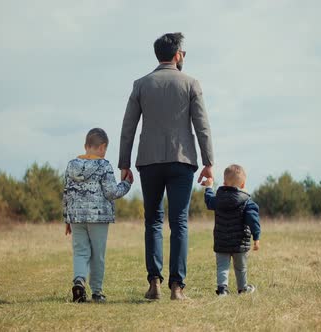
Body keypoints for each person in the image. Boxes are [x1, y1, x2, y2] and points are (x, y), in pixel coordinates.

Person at [118, 32, 214, 300]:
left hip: (148, 161)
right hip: (182, 160)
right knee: (179, 222)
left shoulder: (141, 84)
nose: (184, 56)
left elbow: (128, 127)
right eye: (183, 52)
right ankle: (177, 287)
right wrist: (209, 162)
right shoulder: (191, 83)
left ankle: (154, 284)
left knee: (153, 221)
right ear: (177, 55)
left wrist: (124, 163)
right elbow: (202, 126)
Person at [63, 128, 132, 303]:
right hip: (98, 217)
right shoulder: (104, 166)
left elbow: (66, 192)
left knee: (80, 252)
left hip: (76, 217)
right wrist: (127, 184)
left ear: (86, 146)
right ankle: (96, 291)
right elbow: (111, 192)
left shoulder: (71, 165)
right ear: (102, 147)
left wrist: (67, 219)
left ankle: (79, 281)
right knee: (97, 254)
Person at [202, 164, 260, 296]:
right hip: (240, 242)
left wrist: (209, 187)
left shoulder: (218, 199)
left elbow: (209, 201)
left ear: (224, 183)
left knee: (222, 267)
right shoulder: (247, 201)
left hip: (222, 241)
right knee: (241, 267)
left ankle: (222, 290)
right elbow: (253, 220)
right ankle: (243, 289)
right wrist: (256, 237)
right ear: (243, 184)